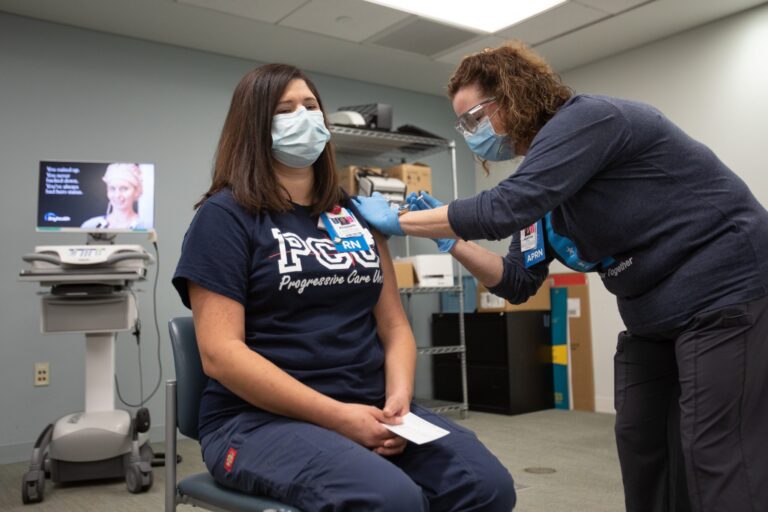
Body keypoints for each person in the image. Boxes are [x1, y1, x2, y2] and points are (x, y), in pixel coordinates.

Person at [353, 42, 768, 512]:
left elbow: (504, 207)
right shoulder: (546, 182)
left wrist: (400, 222)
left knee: (716, 450)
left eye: (474, 118)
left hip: (725, 292)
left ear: (511, 95)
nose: (471, 133)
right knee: (641, 441)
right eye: (463, 125)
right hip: (654, 315)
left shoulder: (588, 119)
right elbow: (515, 280)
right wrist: (450, 242)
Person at [172, 63, 515, 512]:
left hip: (370, 405)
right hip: (256, 421)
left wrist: (398, 400)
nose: (304, 116)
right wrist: (339, 418)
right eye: (285, 109)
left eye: (311, 105)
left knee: (486, 487)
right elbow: (221, 354)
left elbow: (394, 326)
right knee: (390, 500)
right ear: (253, 126)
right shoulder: (224, 217)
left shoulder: (353, 215)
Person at [81, 162, 145, 229]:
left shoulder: (145, 226)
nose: (117, 195)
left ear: (136, 191)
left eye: (124, 188)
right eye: (112, 188)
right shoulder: (90, 225)